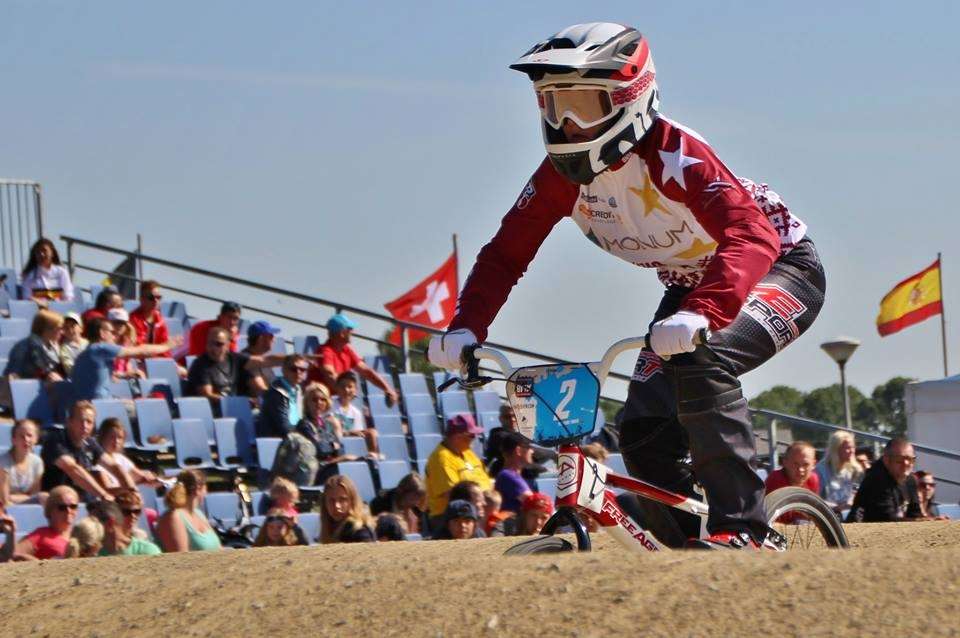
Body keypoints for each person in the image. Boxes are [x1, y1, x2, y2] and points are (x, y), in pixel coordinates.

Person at [428, 23, 825, 550]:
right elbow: (504, 254)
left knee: (702, 362)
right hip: (693, 290)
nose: (567, 125)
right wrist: (466, 327)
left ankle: (747, 529)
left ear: (629, 99)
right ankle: (693, 555)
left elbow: (751, 234)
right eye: (552, 105)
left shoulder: (671, 154)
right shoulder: (559, 176)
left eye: (583, 106)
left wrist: (704, 310)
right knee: (643, 435)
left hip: (778, 266)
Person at [40, 401, 134, 501]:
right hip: (59, 504)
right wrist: (103, 495)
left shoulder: (90, 443)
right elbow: (73, 469)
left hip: (86, 502)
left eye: (89, 422)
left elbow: (114, 466)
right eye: (81, 420)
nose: (85, 425)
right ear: (69, 421)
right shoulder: (55, 441)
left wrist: (132, 491)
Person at [70, 317, 174, 401]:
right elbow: (141, 352)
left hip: (96, 404)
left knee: (138, 402)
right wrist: (166, 346)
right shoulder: (100, 348)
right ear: (102, 333)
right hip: (102, 406)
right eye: (112, 332)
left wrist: (120, 375)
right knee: (149, 406)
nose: (114, 337)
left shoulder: (85, 354)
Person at [307, 313, 399, 407]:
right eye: (350, 329)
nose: (353, 332)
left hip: (337, 403)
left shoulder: (346, 350)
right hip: (323, 405)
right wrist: (346, 391)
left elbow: (367, 372)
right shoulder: (325, 351)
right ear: (342, 333)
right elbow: (329, 374)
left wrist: (388, 389)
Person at [186, 327, 285, 407]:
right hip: (215, 413)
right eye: (210, 343)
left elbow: (264, 361)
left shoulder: (234, 358)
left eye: (219, 344)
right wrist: (240, 402)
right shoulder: (200, 365)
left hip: (233, 408)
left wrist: (292, 360)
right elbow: (208, 396)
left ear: (227, 346)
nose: (213, 348)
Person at [425, 414, 492, 529]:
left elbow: (486, 482)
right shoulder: (441, 458)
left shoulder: (467, 452)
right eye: (471, 435)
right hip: (450, 517)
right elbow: (453, 497)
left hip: (476, 508)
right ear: (457, 437)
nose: (475, 438)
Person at [286, 383, 358, 486]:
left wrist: (336, 433)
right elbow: (319, 449)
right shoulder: (304, 425)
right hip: (310, 471)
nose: (319, 403)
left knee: (360, 462)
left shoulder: (326, 424)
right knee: (346, 463)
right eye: (314, 400)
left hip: (327, 466)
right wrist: (333, 446)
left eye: (322, 399)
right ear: (307, 403)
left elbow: (340, 450)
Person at [847, 438, 923, 523]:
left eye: (910, 459)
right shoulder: (876, 479)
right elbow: (886, 519)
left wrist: (928, 521)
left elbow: (915, 513)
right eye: (900, 460)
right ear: (886, 460)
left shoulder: (910, 480)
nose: (906, 463)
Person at [129, 280, 187, 377]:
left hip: (156, 362)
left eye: (158, 297)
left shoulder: (159, 319)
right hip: (138, 363)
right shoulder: (132, 319)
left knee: (184, 372)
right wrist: (164, 348)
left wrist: (168, 364)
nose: (156, 301)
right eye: (151, 298)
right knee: (142, 375)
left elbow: (165, 350)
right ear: (141, 299)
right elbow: (138, 350)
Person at [155, 469, 222, 552]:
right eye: (205, 488)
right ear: (198, 489)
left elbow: (219, 548)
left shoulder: (199, 513)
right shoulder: (173, 518)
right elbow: (180, 559)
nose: (206, 493)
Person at [93, 418, 162, 491]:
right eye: (112, 437)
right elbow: (108, 491)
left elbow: (140, 476)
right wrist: (132, 486)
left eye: (120, 437)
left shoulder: (120, 458)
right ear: (103, 437)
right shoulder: (96, 462)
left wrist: (152, 479)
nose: (116, 441)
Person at [13, 485, 79, 560]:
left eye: (73, 506)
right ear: (50, 510)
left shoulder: (79, 533)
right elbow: (13, 554)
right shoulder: (41, 535)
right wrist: (41, 564)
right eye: (62, 507)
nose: (68, 511)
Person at [333, 372, 381, 459]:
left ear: (356, 390)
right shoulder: (330, 406)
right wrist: (348, 433)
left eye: (350, 387)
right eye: (343, 386)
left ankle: (373, 460)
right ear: (336, 388)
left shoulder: (356, 413)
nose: (346, 390)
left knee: (372, 432)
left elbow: (358, 434)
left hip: (350, 448)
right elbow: (327, 432)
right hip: (334, 446)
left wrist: (350, 434)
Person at [258, 354, 309, 438]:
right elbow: (283, 427)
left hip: (293, 438)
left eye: (302, 370)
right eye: (293, 369)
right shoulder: (276, 393)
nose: (298, 372)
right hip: (276, 440)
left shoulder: (299, 390)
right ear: (283, 370)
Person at [815, 431, 864, 512]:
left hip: (846, 512)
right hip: (827, 514)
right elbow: (815, 499)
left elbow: (853, 493)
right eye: (847, 448)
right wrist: (837, 507)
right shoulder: (820, 471)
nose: (852, 451)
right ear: (836, 449)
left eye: (853, 447)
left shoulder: (852, 470)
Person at [91, 499, 161, 556]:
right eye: (127, 512)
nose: (89, 526)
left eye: (93, 522)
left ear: (110, 523)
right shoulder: (93, 554)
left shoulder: (147, 551)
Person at [0, 419, 45, 506]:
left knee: (44, 497)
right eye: (21, 436)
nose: (26, 439)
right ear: (13, 440)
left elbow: (34, 496)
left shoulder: (37, 462)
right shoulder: (3, 462)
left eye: (29, 435)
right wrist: (23, 497)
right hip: (3, 508)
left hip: (24, 505)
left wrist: (13, 497)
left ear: (36, 439)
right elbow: (4, 499)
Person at [319, 474, 374, 544]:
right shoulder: (329, 528)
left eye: (342, 499)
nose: (337, 506)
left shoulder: (359, 531)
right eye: (331, 500)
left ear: (352, 500)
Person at [369, 472, 428, 536]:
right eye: (413, 498)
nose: (416, 503)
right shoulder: (380, 503)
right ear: (401, 491)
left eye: (418, 499)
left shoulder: (416, 509)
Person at [14, 309, 65, 383]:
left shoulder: (54, 346)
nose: (62, 332)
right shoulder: (28, 349)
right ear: (47, 329)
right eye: (59, 328)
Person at [21, 238, 74, 303]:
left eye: (44, 251)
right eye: (38, 252)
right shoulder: (29, 275)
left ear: (52, 253)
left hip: (60, 310)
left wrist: (41, 294)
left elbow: (67, 296)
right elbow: (27, 298)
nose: (41, 254)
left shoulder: (61, 272)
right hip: (38, 310)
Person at [494, 432, 535, 514]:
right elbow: (535, 502)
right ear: (518, 450)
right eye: (529, 447)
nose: (532, 451)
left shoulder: (509, 476)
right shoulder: (507, 476)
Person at [240, 320, 283, 395]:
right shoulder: (246, 361)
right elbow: (260, 390)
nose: (274, 340)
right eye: (271, 336)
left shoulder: (263, 362)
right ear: (261, 338)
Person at [59, 312, 88, 376]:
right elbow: (69, 369)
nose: (70, 330)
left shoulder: (89, 344)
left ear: (81, 328)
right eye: (66, 327)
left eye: (73, 326)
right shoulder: (64, 348)